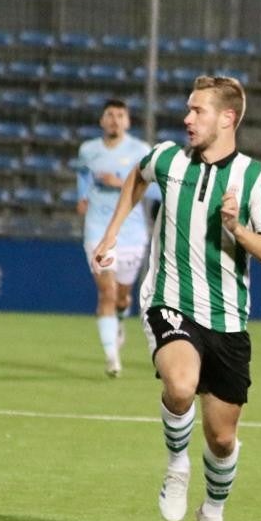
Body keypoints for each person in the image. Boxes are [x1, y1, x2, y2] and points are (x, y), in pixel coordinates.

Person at [92, 75, 261, 521]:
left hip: (228, 320)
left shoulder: (260, 180)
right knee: (180, 385)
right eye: (188, 109)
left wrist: (239, 230)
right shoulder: (168, 158)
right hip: (169, 301)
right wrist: (111, 233)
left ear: (227, 119)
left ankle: (213, 515)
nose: (187, 118)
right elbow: (138, 176)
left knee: (222, 439)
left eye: (198, 110)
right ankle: (177, 464)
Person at [74, 99, 153, 378]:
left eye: (120, 115)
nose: (114, 120)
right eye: (109, 114)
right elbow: (83, 173)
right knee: (106, 292)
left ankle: (119, 319)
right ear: (102, 121)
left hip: (131, 233)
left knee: (122, 296)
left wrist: (119, 183)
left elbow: (154, 188)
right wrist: (82, 196)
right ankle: (112, 357)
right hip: (97, 230)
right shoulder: (88, 150)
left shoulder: (140, 151)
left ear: (127, 122)